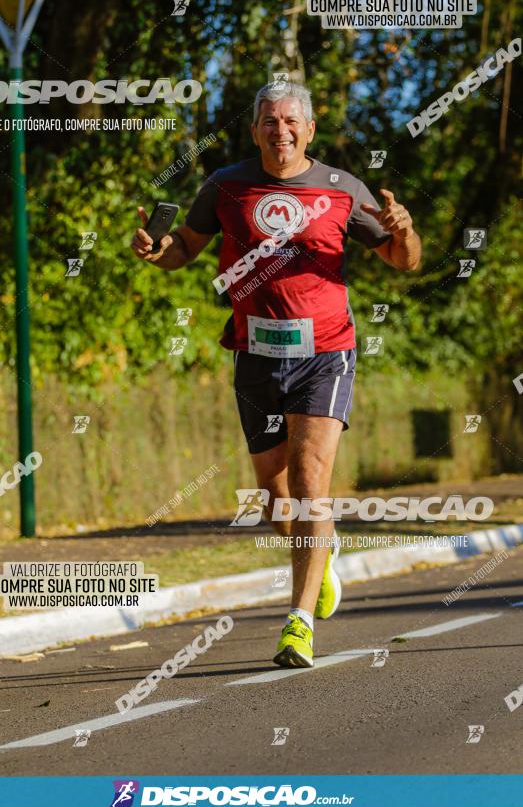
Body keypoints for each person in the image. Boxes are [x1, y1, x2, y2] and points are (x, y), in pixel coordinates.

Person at [132, 82, 421, 668]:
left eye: (291, 121)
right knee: (275, 496)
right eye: (269, 120)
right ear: (255, 128)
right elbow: (183, 246)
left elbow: (401, 260)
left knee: (312, 482)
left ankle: (298, 623)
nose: (280, 130)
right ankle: (322, 563)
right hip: (255, 354)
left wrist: (403, 228)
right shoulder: (226, 185)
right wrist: (154, 249)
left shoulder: (342, 190)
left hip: (327, 353)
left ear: (309, 130)